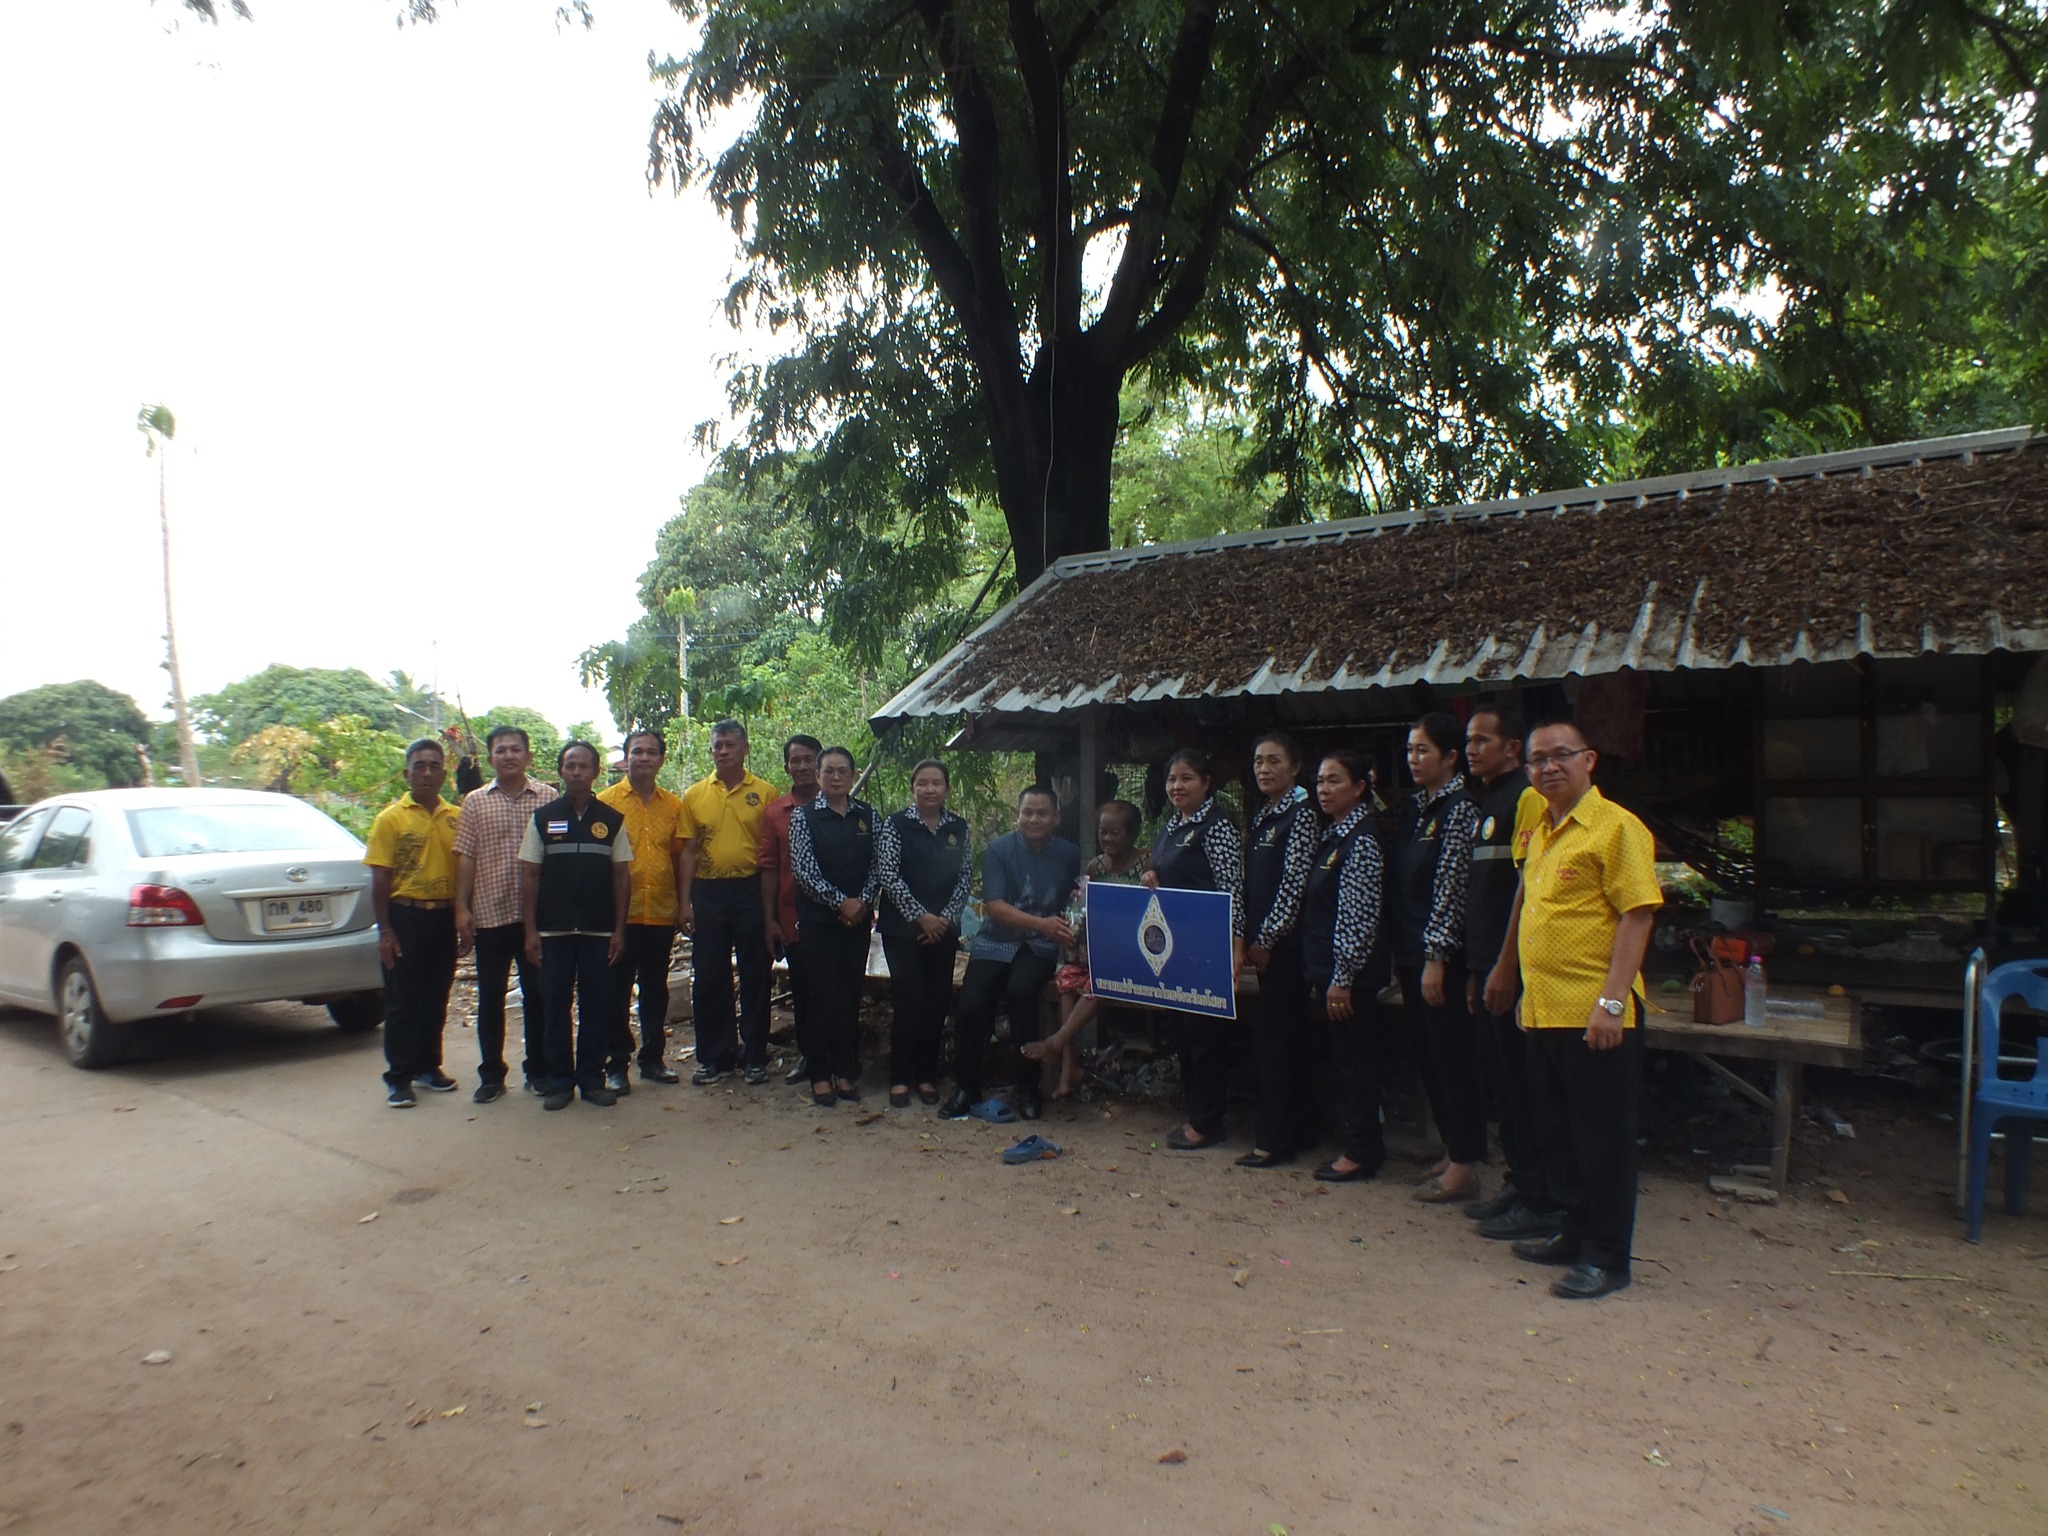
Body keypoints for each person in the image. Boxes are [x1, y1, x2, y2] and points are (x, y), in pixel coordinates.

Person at [1484, 716, 1662, 1300]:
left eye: (1562, 755)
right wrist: (1514, 976)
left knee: (1602, 1140)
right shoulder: (1540, 829)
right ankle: (1575, 1233)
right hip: (1544, 1009)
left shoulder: (1617, 828)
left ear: (1589, 760)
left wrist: (1611, 1002)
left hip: (1595, 1013)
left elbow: (1637, 915)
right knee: (1558, 1133)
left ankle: (1608, 1258)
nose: (1549, 767)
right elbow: (1528, 907)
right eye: (1538, 759)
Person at [1460, 705, 1557, 1239]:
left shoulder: (1526, 798)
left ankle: (1541, 1199)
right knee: (1504, 1085)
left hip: (1514, 970)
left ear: (1513, 748)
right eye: (1469, 741)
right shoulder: (1489, 800)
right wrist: (1478, 969)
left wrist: (1503, 966)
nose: (1471, 749)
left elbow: (1525, 891)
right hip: (1488, 965)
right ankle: (1520, 1183)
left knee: (1525, 1087)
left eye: (1482, 740)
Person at [1385, 712, 1487, 1204]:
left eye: (1423, 750)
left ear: (1450, 758)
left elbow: (1451, 888)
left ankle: (1465, 1166)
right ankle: (1453, 1150)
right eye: (1410, 750)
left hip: (1439, 957)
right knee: (1429, 1057)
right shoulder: (1419, 809)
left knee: (1452, 1059)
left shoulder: (1460, 810)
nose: (1413, 759)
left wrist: (1437, 956)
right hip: (1411, 952)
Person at [940, 785, 1082, 1122]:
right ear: (1017, 815)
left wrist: (1068, 927)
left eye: (1042, 813)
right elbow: (995, 907)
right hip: (995, 940)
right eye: (1027, 812)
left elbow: (1075, 900)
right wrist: (1043, 924)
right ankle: (967, 1087)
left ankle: (1028, 1086)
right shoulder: (999, 849)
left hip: (1040, 945)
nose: (1034, 819)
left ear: (1056, 817)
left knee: (1022, 992)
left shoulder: (1069, 854)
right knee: (971, 1004)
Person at [518, 741, 633, 1111]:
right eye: (570, 765)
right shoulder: (543, 818)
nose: (577, 772)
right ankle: (560, 1083)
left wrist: (619, 930)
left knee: (597, 1008)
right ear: (561, 771)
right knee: (554, 1008)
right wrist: (530, 930)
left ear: (596, 772)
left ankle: (592, 1081)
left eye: (584, 766)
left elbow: (621, 876)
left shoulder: (612, 820)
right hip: (553, 933)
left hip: (599, 933)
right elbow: (530, 876)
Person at [1142, 747, 1245, 1151]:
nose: (1177, 786)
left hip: (1206, 947)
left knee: (1205, 1038)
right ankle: (1195, 1112)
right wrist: (1151, 876)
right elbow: (1162, 872)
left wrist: (1236, 947)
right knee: (1183, 1034)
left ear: (1206, 783)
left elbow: (1232, 891)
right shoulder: (1171, 826)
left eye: (1186, 778)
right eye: (1172, 779)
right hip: (1173, 947)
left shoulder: (1217, 828)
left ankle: (1208, 1123)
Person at [1020, 799, 1149, 1100]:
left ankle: (1056, 1045)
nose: (1107, 839)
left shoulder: (1145, 865)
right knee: (1067, 980)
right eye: (1103, 832)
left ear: (1131, 834)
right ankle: (1070, 1066)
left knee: (1100, 981)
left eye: (1115, 832)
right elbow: (1086, 909)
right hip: (1100, 949)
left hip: (1134, 954)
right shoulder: (1096, 866)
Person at [453, 724, 555, 1103]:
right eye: (501, 750)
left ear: (528, 756)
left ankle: (538, 1071)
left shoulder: (548, 797)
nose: (508, 756)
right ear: (490, 757)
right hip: (490, 914)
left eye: (515, 749)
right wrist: (462, 908)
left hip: (536, 918)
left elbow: (557, 855)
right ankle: (492, 1075)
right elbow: (466, 857)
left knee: (538, 995)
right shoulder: (475, 802)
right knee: (492, 997)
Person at [1300, 750, 1388, 1183]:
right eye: (1320, 781)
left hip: (1349, 980)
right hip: (1329, 972)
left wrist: (1343, 978)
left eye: (1335, 780)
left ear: (1359, 788)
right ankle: (1358, 1143)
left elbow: (1357, 916)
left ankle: (1361, 1152)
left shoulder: (1362, 840)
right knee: (1344, 1060)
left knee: (1356, 1064)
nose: (1324, 789)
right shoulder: (1334, 835)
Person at [1237, 732, 1323, 1168]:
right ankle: (1301, 1130)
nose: (1264, 769)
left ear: (1295, 767)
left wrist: (1267, 940)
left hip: (1286, 948)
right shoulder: (1267, 814)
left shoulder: (1302, 815)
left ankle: (1274, 1141)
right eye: (1258, 762)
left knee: (1276, 1041)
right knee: (1284, 1037)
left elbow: (1294, 887)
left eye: (1274, 761)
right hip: (1264, 947)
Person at [677, 719, 778, 1086]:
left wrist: (771, 909)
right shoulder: (695, 795)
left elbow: (772, 853)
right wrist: (684, 903)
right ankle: (714, 1057)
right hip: (708, 893)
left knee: (755, 974)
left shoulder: (765, 793)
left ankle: (754, 1056)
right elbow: (688, 852)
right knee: (709, 976)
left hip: (751, 891)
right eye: (717, 745)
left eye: (729, 745)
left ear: (745, 748)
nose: (722, 751)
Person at [363, 738, 462, 1108]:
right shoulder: (390, 819)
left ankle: (428, 1066)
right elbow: (380, 877)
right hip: (404, 916)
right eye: (419, 766)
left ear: (444, 774)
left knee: (437, 996)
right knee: (402, 1000)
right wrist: (385, 930)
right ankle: (399, 1076)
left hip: (444, 917)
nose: (427, 773)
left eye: (434, 766)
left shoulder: (456, 816)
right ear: (407, 773)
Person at [874, 759, 971, 1109]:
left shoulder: (957, 827)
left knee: (936, 1003)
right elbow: (888, 874)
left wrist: (942, 920)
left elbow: (964, 876)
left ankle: (926, 1076)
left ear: (947, 788)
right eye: (922, 783)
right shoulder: (896, 824)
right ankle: (900, 1077)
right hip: (903, 931)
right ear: (912, 788)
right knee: (908, 1002)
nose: (930, 789)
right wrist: (921, 917)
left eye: (936, 783)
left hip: (943, 930)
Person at [788, 745, 878, 1106]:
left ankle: (845, 1070)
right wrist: (841, 901)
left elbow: (878, 865)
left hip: (857, 922)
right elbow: (803, 871)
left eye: (843, 771)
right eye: (829, 771)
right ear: (819, 775)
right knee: (821, 995)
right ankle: (819, 1073)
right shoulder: (804, 817)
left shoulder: (868, 816)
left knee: (849, 994)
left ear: (852, 775)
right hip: (818, 921)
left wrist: (862, 902)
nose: (836, 777)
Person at [598, 728, 688, 1090]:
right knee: (616, 991)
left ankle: (653, 1059)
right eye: (637, 752)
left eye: (651, 752)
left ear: (661, 760)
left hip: (660, 911)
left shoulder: (674, 806)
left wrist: (683, 904)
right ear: (626, 758)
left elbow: (679, 858)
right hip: (620, 914)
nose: (644, 758)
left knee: (655, 989)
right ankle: (616, 1064)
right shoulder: (605, 803)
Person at [758, 734, 823, 1084]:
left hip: (837, 917)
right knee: (803, 987)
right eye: (795, 760)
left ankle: (840, 1056)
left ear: (820, 763)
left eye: (808, 759)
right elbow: (769, 867)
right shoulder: (775, 813)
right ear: (786, 767)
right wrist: (770, 920)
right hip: (793, 915)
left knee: (837, 987)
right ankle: (809, 1056)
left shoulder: (840, 806)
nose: (802, 766)